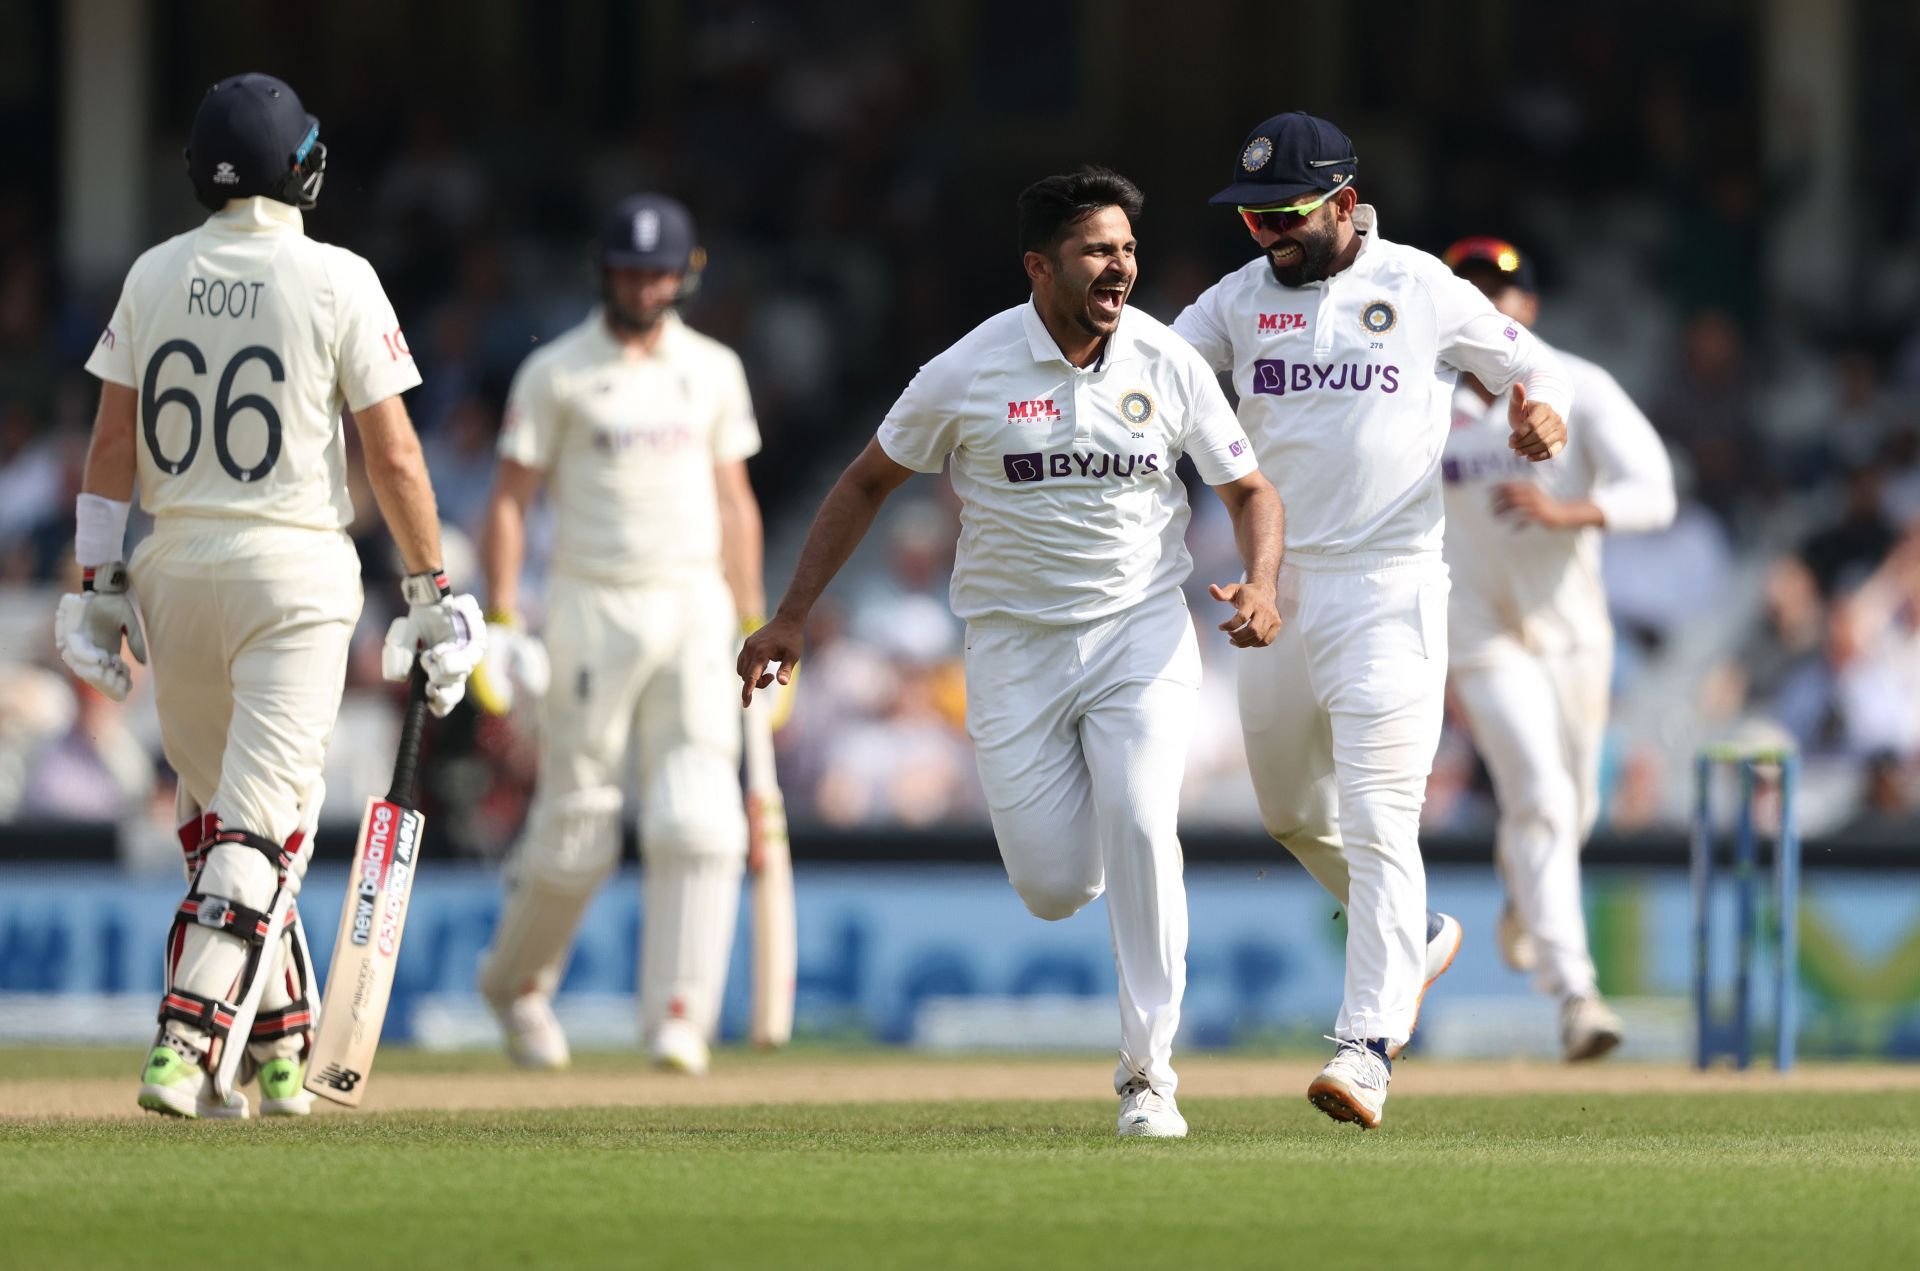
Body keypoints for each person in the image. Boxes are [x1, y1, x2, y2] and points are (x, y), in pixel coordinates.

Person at [740, 166, 1283, 1138]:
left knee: (1144, 819)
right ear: (1039, 265)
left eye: (1125, 248)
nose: (1119, 267)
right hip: (1012, 647)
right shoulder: (970, 367)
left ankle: (1148, 1076)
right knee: (1053, 886)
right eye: (1095, 251)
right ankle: (1112, 846)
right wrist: (792, 615)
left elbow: (1249, 489)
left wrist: (1264, 580)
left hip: (1141, 635)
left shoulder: (1166, 359)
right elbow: (866, 483)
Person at [58, 73, 483, 1119]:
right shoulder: (340, 277)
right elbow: (393, 455)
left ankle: (283, 1045)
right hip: (293, 570)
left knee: (219, 824)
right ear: (301, 165)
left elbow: (111, 441)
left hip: (174, 566)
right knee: (259, 830)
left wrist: (95, 581)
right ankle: (185, 1040)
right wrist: (433, 598)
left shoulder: (153, 274)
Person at [1172, 113, 1572, 1129]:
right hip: (1277, 585)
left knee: (1383, 812)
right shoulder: (1237, 299)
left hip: (1392, 586)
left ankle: (1367, 1045)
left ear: (1346, 204)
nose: (1267, 234)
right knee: (1289, 811)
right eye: (1254, 217)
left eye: (1286, 215)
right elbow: (1157, 378)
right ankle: (1420, 931)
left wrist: (1536, 408)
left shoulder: (1422, 284)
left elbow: (1535, 366)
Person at [473, 194, 767, 1077]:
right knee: (579, 825)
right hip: (591, 607)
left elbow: (734, 502)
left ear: (687, 274)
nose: (644, 285)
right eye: (630, 270)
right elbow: (509, 503)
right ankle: (514, 983)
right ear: (603, 270)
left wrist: (759, 623)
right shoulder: (557, 372)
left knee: (700, 814)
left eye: (659, 271)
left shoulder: (713, 368)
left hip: (694, 605)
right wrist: (497, 618)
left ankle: (680, 1015)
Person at [1437, 237, 1675, 1060]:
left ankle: (1525, 895)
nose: (1486, 306)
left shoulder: (1581, 387)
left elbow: (1656, 491)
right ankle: (1577, 993)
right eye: (1466, 291)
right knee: (1537, 791)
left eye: (1501, 293)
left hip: (1574, 635)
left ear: (1528, 309)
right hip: (1479, 632)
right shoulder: (1417, 404)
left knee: (1572, 807)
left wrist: (1565, 513)